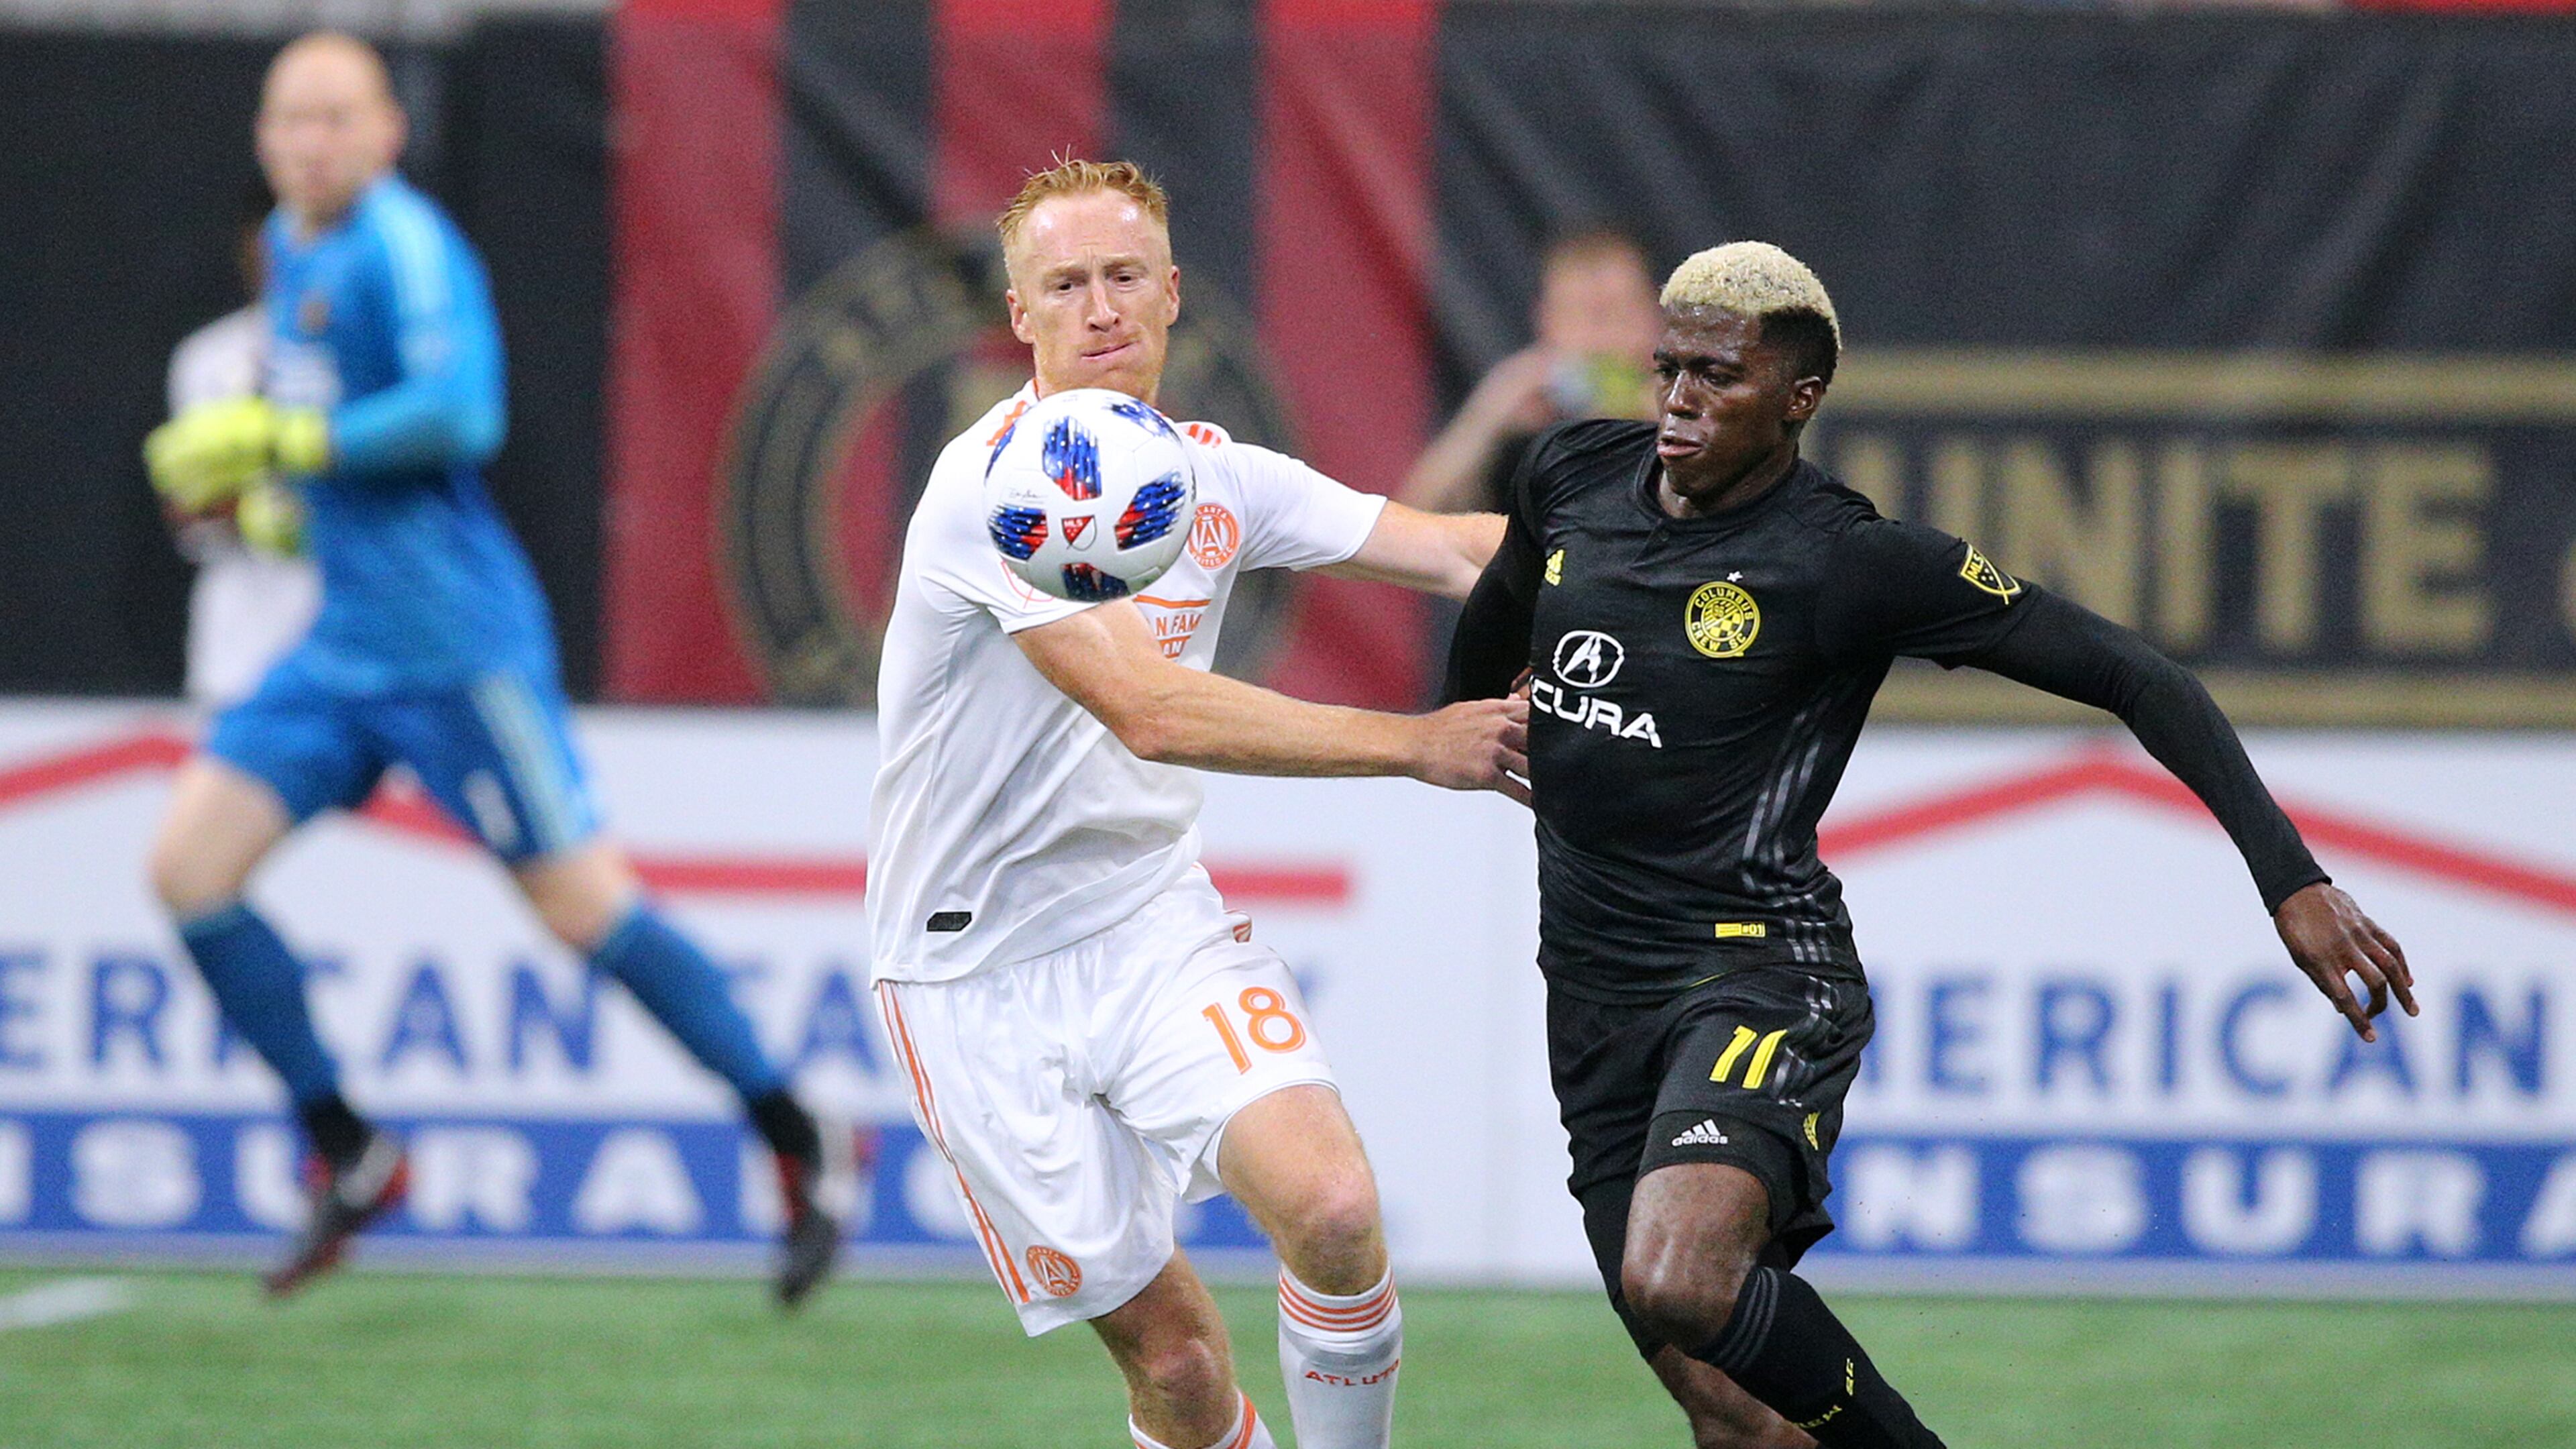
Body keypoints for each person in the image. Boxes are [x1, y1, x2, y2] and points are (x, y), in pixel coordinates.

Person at [1444, 241, 2418, 1448]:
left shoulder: (1849, 561)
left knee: (1678, 1276)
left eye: (1718, 378)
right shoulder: (1570, 476)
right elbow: (1483, 647)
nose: (1678, 402)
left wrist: (2293, 880)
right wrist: (1483, 724)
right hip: (1589, 997)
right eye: (1668, 369)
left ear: (1800, 399)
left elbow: (2137, 675)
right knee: (1737, 1417)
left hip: (1757, 975)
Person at [140, 32, 851, 1304]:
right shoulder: (299, 250)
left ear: (384, 131)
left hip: (460, 650)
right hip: (345, 645)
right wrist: (264, 509)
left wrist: (282, 433)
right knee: (189, 872)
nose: (309, 141)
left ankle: (799, 1138)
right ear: (262, 138)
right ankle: (349, 1147)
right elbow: (343, 490)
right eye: (288, 120)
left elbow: (463, 416)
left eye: (334, 118)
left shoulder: (406, 245)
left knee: (584, 909)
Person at [869, 157, 1525, 1449]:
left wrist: (1681, 555)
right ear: (1021, 317)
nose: (1101, 307)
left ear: (1173, 296)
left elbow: (1455, 548)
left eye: (1125, 277)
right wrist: (1415, 744)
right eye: (1066, 284)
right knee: (1178, 1372)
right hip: (973, 983)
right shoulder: (994, 492)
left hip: (1148, 926)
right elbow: (1153, 709)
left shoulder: (1212, 476)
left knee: (1334, 1210)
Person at [164, 180, 321, 708]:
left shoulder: (368, 348)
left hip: (348, 642)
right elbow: (192, 513)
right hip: (237, 655)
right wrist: (255, 504)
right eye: (264, 239)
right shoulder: (204, 360)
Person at [1399, 226, 1662, 517]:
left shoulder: (1686, 411)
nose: (1602, 340)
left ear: (1656, 316)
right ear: (1546, 321)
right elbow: (1409, 523)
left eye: (1620, 315)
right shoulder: (1517, 438)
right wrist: (1485, 419)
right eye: (1581, 316)